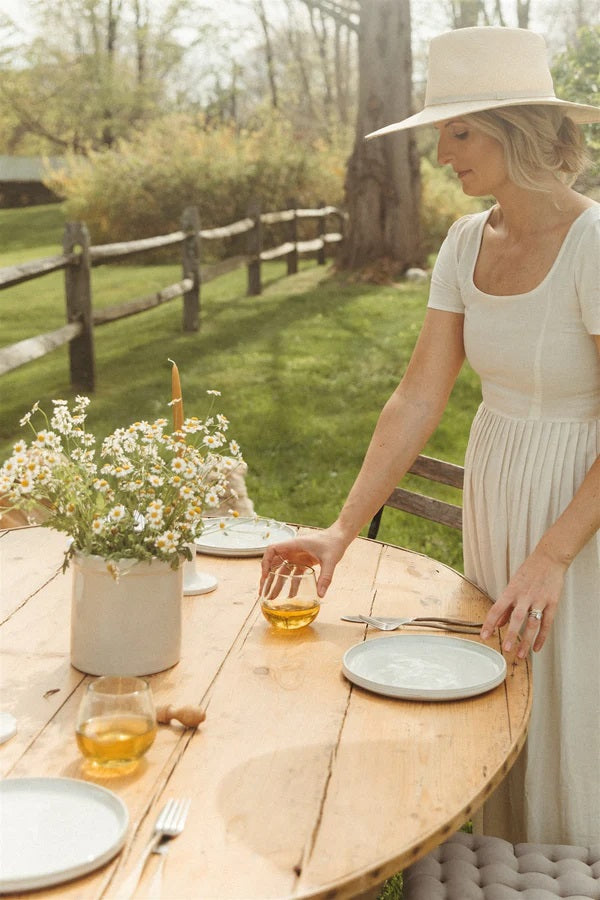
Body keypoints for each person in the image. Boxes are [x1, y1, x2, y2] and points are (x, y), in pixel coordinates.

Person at [260, 26, 600, 846]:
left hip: (580, 514)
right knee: (499, 689)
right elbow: (417, 397)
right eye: (441, 134)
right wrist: (342, 528)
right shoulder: (462, 243)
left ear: (516, 129)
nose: (443, 154)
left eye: (460, 131)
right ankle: (499, 863)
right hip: (498, 484)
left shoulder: (595, 243)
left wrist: (554, 555)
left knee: (573, 702)